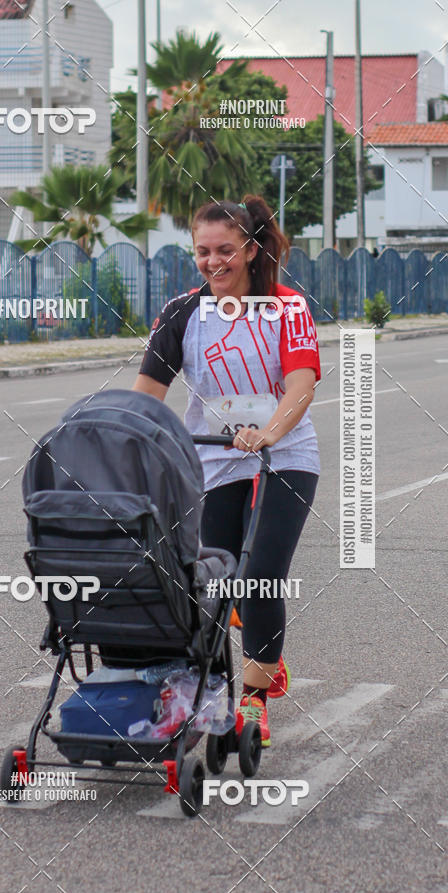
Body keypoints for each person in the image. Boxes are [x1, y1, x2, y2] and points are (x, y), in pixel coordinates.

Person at [132, 195, 320, 748]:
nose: (214, 262)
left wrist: (269, 432)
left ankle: (255, 702)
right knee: (210, 584)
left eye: (226, 251)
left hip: (282, 457)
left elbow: (301, 385)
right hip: (212, 461)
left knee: (259, 575)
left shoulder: (287, 307)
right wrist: (130, 442)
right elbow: (146, 397)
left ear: (252, 249)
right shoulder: (180, 314)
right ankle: (206, 695)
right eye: (203, 252)